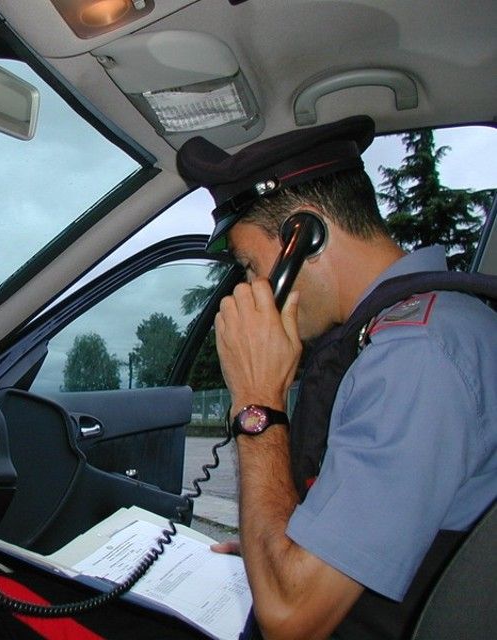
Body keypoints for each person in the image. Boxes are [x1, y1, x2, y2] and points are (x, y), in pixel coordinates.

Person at [176, 115, 497, 640]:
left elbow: (290, 620)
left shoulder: (415, 355)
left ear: (305, 236)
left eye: (251, 265)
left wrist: (255, 400)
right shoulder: (406, 334)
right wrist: (279, 543)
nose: (251, 286)